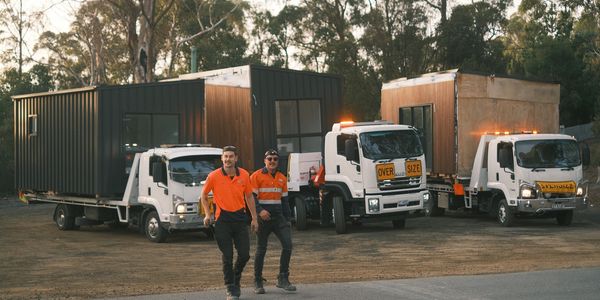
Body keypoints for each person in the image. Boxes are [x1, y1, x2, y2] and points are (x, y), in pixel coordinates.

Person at [200, 145, 258, 300]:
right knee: (227, 255)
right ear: (222, 158)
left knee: (245, 255)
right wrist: (207, 214)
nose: (228, 159)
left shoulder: (244, 175)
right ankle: (230, 288)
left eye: (231, 156)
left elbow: (250, 197)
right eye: (225, 156)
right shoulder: (214, 176)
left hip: (240, 219)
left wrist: (254, 218)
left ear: (236, 158)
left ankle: (235, 277)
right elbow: (204, 195)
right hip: (222, 220)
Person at [251, 149, 296, 294]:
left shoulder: (282, 178)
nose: (272, 161)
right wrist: (259, 211)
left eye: (275, 159)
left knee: (288, 246)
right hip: (263, 219)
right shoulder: (256, 176)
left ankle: (283, 278)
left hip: (278, 218)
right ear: (264, 161)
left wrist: (288, 219)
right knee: (261, 249)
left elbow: (285, 201)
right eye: (269, 158)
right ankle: (257, 280)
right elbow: (251, 198)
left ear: (278, 161)